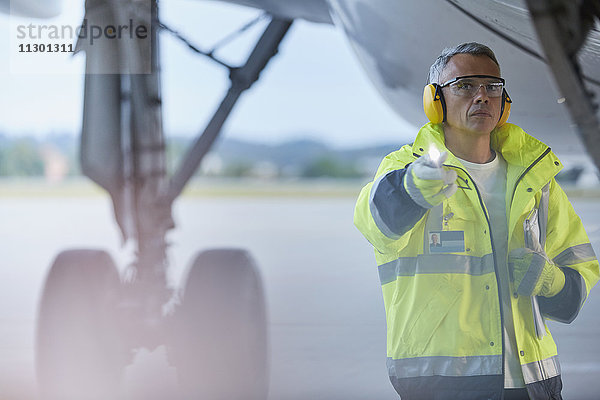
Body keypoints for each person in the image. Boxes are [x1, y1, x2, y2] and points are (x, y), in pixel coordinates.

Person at [353, 42, 599, 400]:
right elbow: (375, 225)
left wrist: (550, 280)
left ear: (504, 102)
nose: (482, 96)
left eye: (492, 86)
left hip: (534, 383)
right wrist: (411, 189)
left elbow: (578, 280)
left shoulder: (535, 178)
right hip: (443, 384)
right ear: (434, 101)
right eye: (465, 85)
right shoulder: (406, 169)